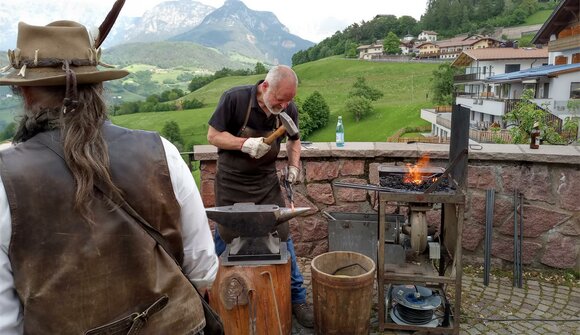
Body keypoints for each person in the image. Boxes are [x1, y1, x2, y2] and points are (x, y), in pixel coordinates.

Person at [0, 11, 218, 335]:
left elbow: (6, 323)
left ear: (27, 93)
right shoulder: (164, 154)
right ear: (98, 87)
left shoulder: (6, 181)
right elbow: (202, 270)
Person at [207, 65, 314, 328]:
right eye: (280, 99)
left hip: (265, 183)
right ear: (265, 86)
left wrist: (292, 167)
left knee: (282, 235)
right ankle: (206, 297)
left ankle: (298, 298)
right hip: (232, 182)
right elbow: (213, 136)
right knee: (225, 236)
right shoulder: (235, 99)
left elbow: (294, 140)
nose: (284, 105)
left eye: (289, 100)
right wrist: (244, 143)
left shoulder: (287, 109)